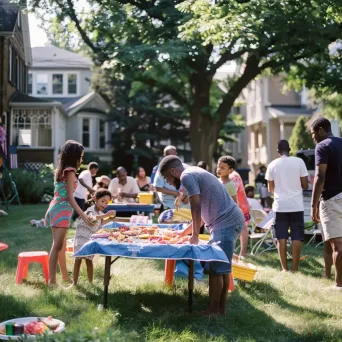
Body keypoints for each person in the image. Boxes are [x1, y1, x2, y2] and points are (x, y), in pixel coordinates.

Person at [158, 156, 244, 315]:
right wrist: (186, 231)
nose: (167, 182)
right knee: (222, 268)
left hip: (226, 222)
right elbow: (204, 213)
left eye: (166, 178)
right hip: (228, 221)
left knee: (216, 269)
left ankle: (213, 312)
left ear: (173, 171)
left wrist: (195, 236)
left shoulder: (186, 177)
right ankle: (220, 310)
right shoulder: (192, 171)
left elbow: (196, 206)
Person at [45, 140, 95, 286]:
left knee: (58, 245)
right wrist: (84, 216)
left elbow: (64, 194)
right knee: (57, 246)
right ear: (74, 156)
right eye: (81, 156)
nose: (82, 159)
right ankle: (52, 282)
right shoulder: (70, 171)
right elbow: (70, 198)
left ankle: (65, 277)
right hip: (61, 210)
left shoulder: (61, 170)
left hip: (57, 209)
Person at [265, 140, 308, 272]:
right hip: (296, 205)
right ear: (289, 149)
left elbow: (270, 189)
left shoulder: (272, 164)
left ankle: (284, 268)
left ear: (278, 151)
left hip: (280, 206)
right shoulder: (299, 162)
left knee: (281, 236)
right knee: (297, 236)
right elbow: (305, 185)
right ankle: (295, 268)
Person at [310, 117, 342, 289]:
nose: (313, 137)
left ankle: (339, 285)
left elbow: (320, 176)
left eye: (313, 133)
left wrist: (313, 205)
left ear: (321, 130)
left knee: (337, 245)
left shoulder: (322, 146)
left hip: (332, 198)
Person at [72, 189, 116, 286]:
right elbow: (92, 219)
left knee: (89, 260)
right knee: (78, 260)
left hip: (89, 239)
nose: (104, 204)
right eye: (103, 201)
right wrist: (106, 215)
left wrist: (109, 219)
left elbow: (100, 224)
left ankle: (90, 283)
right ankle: (74, 283)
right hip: (81, 238)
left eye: (107, 203)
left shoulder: (100, 213)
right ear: (96, 199)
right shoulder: (90, 210)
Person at [220, 156, 250, 258]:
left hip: (240, 206)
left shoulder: (234, 176)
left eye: (222, 167)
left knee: (243, 228)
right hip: (229, 208)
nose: (219, 169)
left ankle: (243, 253)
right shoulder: (221, 179)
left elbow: (233, 192)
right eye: (219, 167)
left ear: (230, 169)